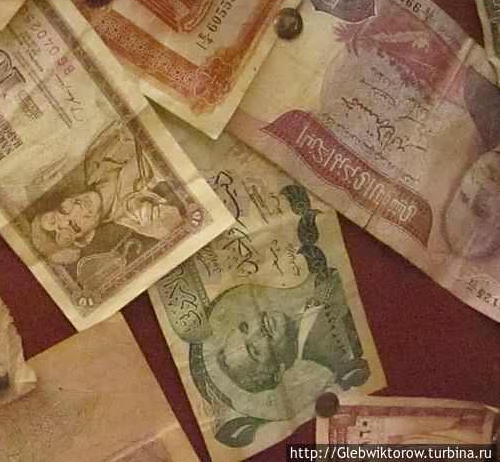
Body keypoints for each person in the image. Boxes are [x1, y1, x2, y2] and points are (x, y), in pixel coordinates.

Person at [30, 122, 183, 265]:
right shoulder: (137, 215)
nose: (76, 207)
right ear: (88, 236)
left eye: (63, 209)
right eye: (75, 225)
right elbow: (178, 227)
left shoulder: (92, 161)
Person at [209, 272, 368, 395]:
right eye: (254, 349)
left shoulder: (316, 288)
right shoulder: (346, 355)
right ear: (278, 371)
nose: (258, 330)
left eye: (246, 328)